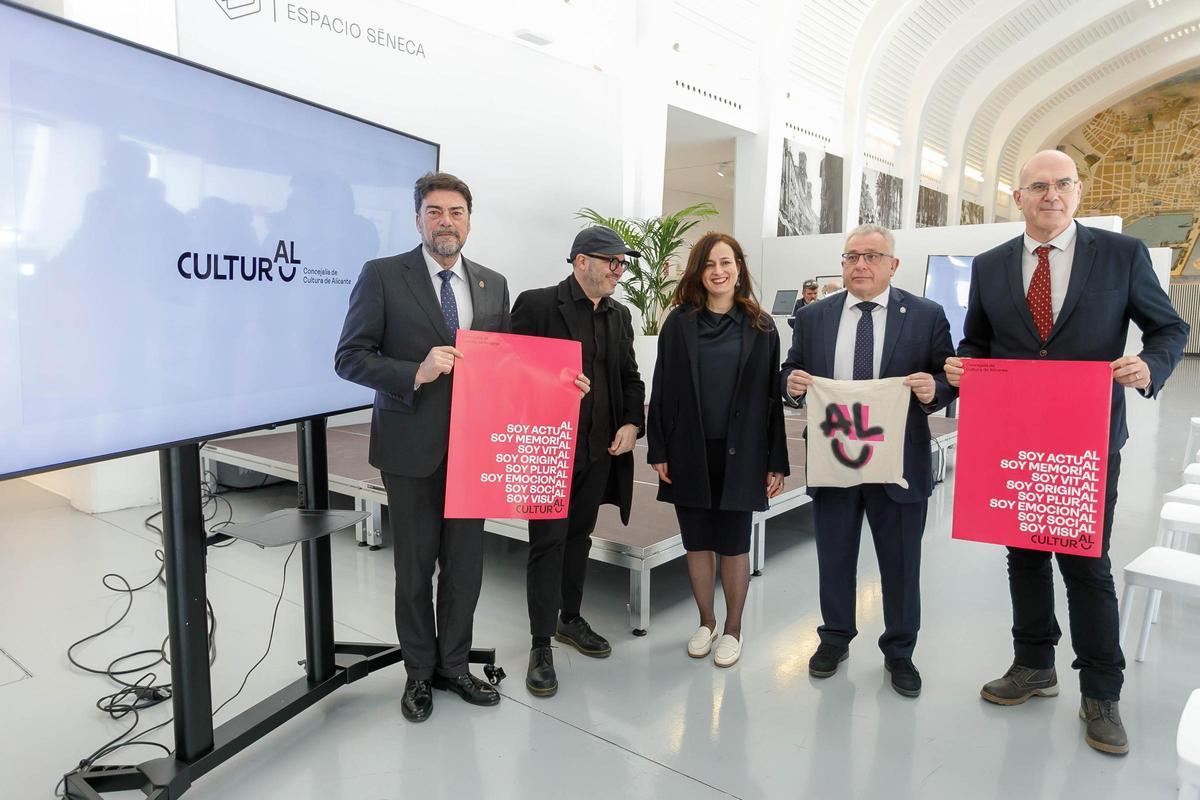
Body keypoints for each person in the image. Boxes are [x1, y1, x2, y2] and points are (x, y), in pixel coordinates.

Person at [947, 149, 1188, 755]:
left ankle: (1101, 691)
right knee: (1024, 556)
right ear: (1019, 197)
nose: (1050, 195)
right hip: (1016, 438)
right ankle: (1034, 664)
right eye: (1037, 186)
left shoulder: (1122, 255)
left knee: (1086, 563)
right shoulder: (991, 266)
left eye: (1062, 184)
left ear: (1078, 192)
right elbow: (978, 340)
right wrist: (964, 366)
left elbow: (1169, 329)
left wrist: (1149, 364)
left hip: (1086, 440)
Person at [334, 172, 510, 723]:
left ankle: (454, 666)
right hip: (410, 449)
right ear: (418, 220)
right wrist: (416, 370)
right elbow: (349, 357)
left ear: (469, 220)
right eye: (434, 212)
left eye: (456, 212)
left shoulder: (493, 284)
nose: (445, 222)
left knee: (465, 569)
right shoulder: (383, 275)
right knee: (413, 571)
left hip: (474, 452)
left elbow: (505, 365)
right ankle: (418, 672)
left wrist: (557, 386)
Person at [781, 223, 955, 697]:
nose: (860, 264)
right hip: (834, 457)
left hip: (899, 462)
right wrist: (791, 385)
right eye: (851, 256)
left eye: (872, 256)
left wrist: (934, 390)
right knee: (834, 556)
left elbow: (947, 377)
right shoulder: (813, 317)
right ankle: (834, 638)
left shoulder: (925, 315)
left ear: (893, 265)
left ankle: (900, 651)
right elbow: (791, 369)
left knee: (901, 563)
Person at [511, 226, 645, 697]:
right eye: (613, 261)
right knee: (547, 543)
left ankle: (569, 618)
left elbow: (631, 377)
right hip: (550, 449)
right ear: (581, 261)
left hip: (598, 451)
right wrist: (552, 381)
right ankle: (540, 644)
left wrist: (632, 423)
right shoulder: (537, 305)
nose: (619, 271)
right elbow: (510, 370)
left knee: (578, 537)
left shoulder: (619, 315)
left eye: (622, 263)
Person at [648, 232, 789, 668]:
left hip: (743, 454)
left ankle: (733, 629)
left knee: (733, 543)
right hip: (689, 450)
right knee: (696, 542)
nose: (718, 271)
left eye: (726, 262)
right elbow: (662, 387)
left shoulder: (762, 327)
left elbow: (772, 400)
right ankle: (706, 622)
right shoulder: (678, 324)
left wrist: (776, 460)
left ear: (739, 268)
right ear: (698, 272)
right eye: (709, 264)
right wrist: (659, 449)